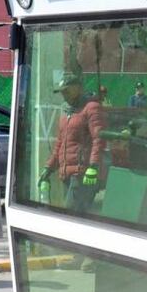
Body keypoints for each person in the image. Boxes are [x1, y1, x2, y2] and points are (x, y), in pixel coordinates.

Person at [39, 70, 105, 213]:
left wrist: (93, 166)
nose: (64, 95)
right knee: (74, 216)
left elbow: (99, 138)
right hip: (66, 174)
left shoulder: (91, 108)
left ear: (78, 88)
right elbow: (60, 144)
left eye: (67, 91)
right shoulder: (67, 111)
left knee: (71, 214)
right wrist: (49, 168)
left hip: (83, 174)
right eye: (62, 92)